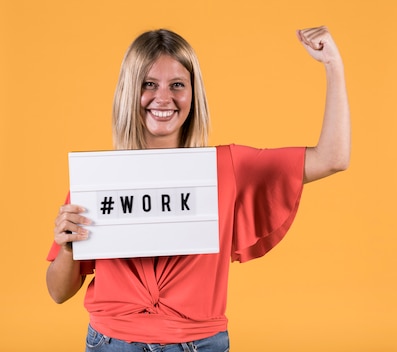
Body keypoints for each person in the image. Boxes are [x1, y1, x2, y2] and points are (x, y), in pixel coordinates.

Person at [45, 26, 349, 351]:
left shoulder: (226, 167)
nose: (164, 97)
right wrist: (67, 248)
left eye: (177, 85)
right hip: (112, 341)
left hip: (200, 343)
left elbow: (333, 158)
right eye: (149, 84)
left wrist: (333, 64)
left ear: (193, 93)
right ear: (129, 91)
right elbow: (58, 292)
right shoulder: (98, 179)